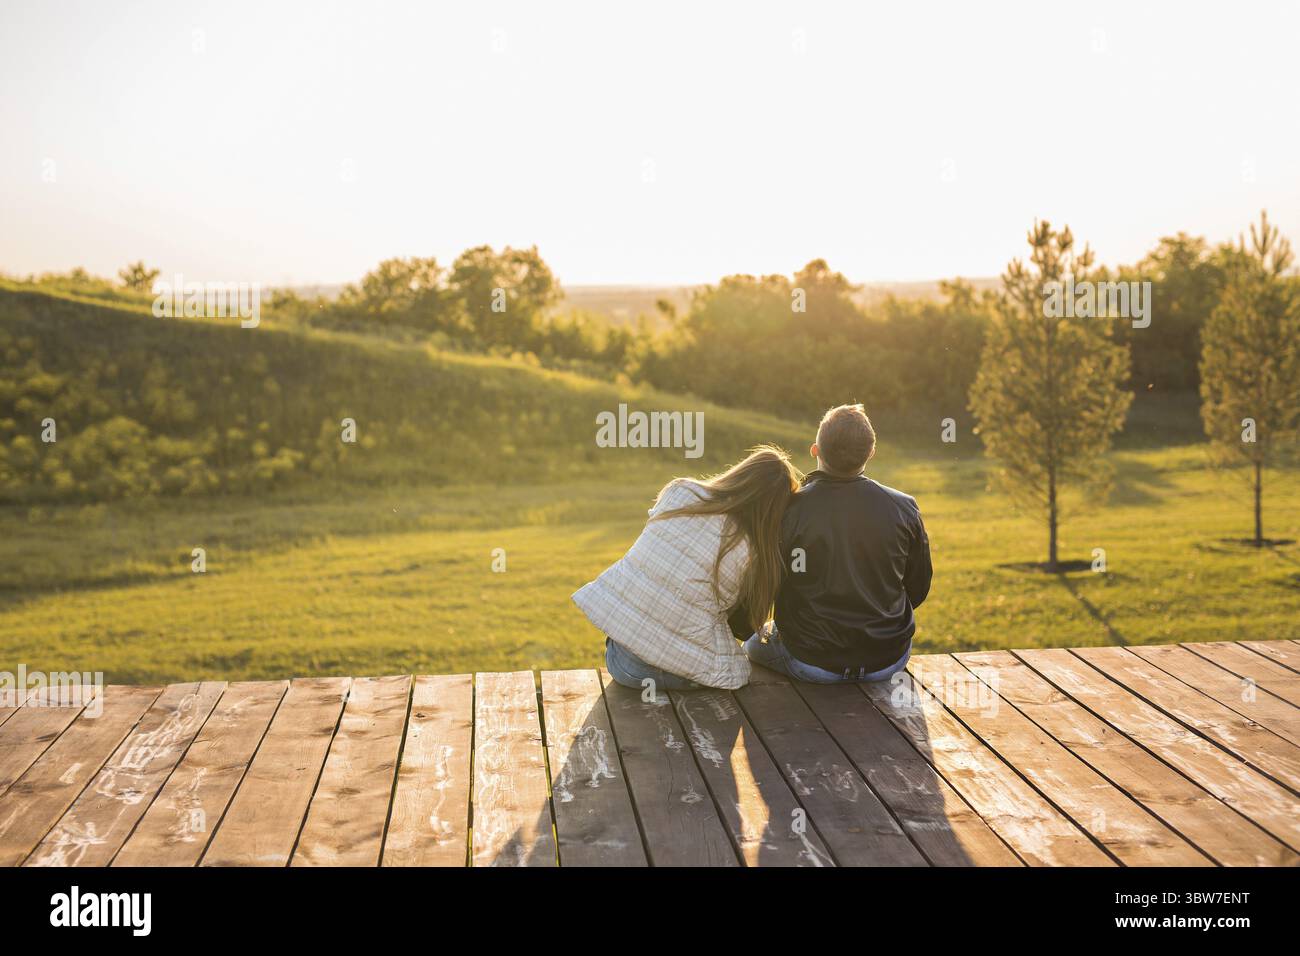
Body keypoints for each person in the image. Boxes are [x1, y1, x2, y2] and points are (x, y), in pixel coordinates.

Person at [573, 446, 801, 690]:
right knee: (739, 670)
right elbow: (743, 630)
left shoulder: (680, 491)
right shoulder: (757, 553)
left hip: (622, 665)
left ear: (738, 473)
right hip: (686, 674)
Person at [744, 403, 931, 683]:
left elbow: (766, 586)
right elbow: (918, 587)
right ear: (871, 453)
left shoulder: (789, 509)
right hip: (888, 659)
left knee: (750, 646)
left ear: (815, 450)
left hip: (811, 661)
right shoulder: (904, 507)